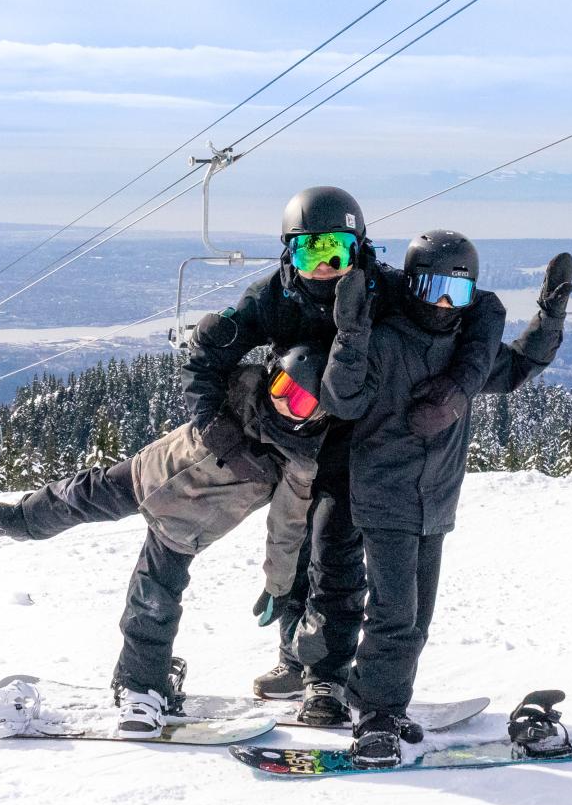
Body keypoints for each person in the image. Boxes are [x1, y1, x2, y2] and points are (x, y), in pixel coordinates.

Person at [181, 186, 504, 727]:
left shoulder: (387, 288)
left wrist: (458, 385)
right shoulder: (273, 299)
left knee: (335, 560)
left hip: (369, 449)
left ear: (361, 247)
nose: (326, 265)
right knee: (297, 555)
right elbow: (205, 353)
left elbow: (481, 311)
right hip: (300, 443)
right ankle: (299, 658)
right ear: (288, 253)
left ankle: (325, 676)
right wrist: (212, 421)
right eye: (311, 251)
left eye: (339, 249)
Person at [0, 345, 331, 737]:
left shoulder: (297, 462)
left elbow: (287, 529)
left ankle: (141, 686)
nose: (282, 401)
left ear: (317, 413)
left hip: (183, 526)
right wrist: (216, 337)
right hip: (146, 474)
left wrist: (278, 585)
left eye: (299, 401)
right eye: (280, 385)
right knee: (78, 494)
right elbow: (202, 365)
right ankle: (23, 518)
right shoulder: (240, 387)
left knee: (152, 600)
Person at [319, 230, 572, 767]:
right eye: (431, 289)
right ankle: (375, 711)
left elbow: (520, 366)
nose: (440, 305)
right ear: (410, 285)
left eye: (454, 295)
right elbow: (342, 399)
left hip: (435, 501)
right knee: (394, 611)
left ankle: (384, 700)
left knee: (418, 616)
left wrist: (549, 318)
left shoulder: (465, 354)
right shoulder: (388, 341)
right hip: (384, 495)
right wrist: (351, 334)